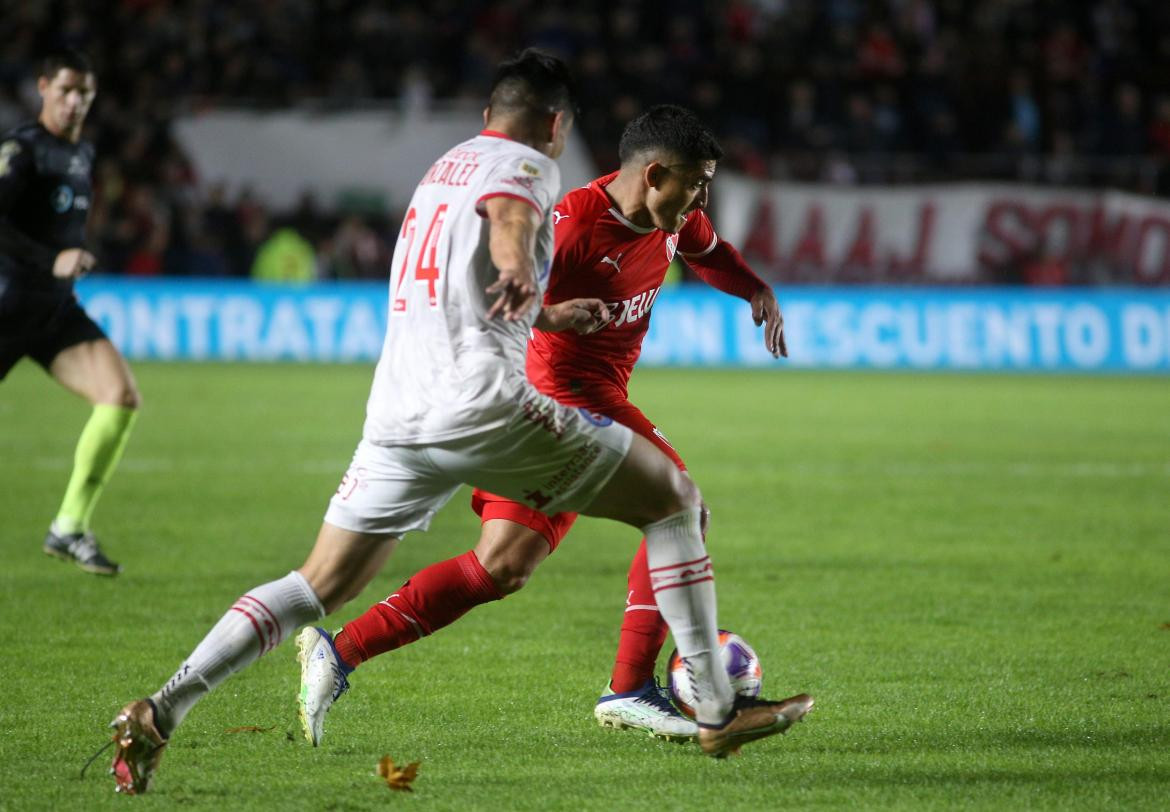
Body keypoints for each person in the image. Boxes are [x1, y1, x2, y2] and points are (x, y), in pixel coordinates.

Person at [107, 50, 811, 795]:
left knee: (319, 583)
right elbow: (509, 218)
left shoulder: (442, 170)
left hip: (397, 414)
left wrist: (543, 303)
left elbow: (470, 257)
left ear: (485, 116)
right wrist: (519, 270)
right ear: (555, 124)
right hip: (489, 404)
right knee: (674, 502)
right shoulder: (538, 175)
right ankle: (711, 707)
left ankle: (159, 710)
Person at [297, 105, 790, 746]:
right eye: (697, 182)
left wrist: (755, 290)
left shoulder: (673, 219)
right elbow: (487, 295)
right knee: (680, 508)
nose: (703, 197)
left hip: (586, 397)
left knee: (502, 566)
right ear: (656, 175)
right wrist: (552, 315)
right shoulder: (574, 224)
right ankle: (631, 688)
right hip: (562, 396)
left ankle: (338, 651)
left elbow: (711, 252)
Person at [0, 50, 139, 576]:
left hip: (53, 309)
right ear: (43, 88)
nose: (75, 101)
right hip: (8, 301)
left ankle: (69, 527)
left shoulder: (81, 154)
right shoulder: (22, 149)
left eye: (85, 92)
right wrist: (48, 257)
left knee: (120, 397)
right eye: (66, 91)